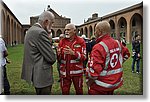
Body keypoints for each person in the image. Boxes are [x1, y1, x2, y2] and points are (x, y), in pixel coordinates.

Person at [86, 21, 130, 95]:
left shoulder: (98, 47)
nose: (94, 33)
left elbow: (94, 72)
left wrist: (89, 83)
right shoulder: (118, 43)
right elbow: (127, 54)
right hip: (114, 83)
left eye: (95, 30)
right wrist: (118, 63)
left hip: (100, 86)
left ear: (100, 31)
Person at [21, 11, 56, 95]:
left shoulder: (31, 30)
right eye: (52, 23)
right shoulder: (40, 33)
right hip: (42, 75)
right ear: (46, 22)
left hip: (35, 72)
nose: (52, 25)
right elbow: (51, 58)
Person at [57, 23, 86, 95]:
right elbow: (59, 59)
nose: (66, 31)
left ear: (74, 31)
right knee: (65, 92)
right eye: (65, 30)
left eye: (68, 30)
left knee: (79, 91)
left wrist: (74, 53)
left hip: (77, 72)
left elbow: (84, 57)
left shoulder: (81, 41)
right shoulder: (62, 41)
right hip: (64, 73)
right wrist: (58, 54)